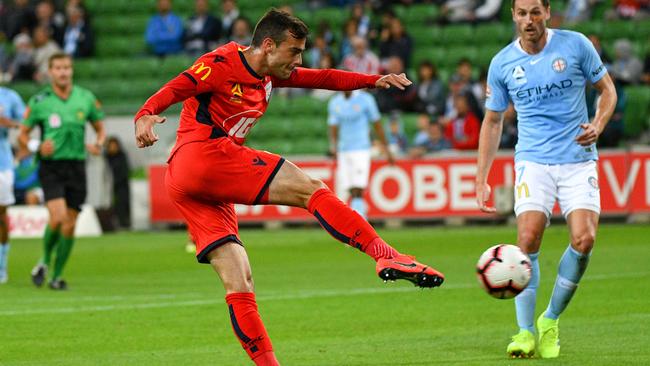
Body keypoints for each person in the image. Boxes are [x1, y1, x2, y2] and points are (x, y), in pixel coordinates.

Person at [133, 9, 444, 365]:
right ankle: (385, 254)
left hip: (189, 182)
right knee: (310, 188)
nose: (299, 60)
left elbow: (323, 78)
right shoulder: (220, 62)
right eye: (294, 51)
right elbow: (179, 85)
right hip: (204, 155)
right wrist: (145, 113)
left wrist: (372, 80)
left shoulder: (269, 74)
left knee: (240, 282)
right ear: (268, 45)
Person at [476, 0, 617, 359]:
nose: (529, 20)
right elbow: (493, 122)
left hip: (577, 159)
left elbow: (607, 90)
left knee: (584, 240)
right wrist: (482, 178)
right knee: (526, 239)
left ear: (548, 11)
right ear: (512, 15)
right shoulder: (502, 63)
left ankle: (550, 319)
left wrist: (597, 125)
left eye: (535, 12)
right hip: (533, 161)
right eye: (522, 13)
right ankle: (524, 332)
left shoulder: (576, 44)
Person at [19, 53, 105, 290]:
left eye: (67, 67)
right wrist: (37, 146)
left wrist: (98, 143)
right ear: (50, 71)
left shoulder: (85, 98)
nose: (63, 72)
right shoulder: (40, 101)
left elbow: (100, 128)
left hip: (77, 166)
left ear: (72, 70)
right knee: (57, 218)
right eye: (58, 68)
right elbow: (23, 136)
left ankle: (56, 276)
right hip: (51, 166)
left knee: (69, 224)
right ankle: (45, 260)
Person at [328, 89, 393, 219]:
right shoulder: (335, 102)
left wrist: (386, 147)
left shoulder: (365, 99)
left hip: (361, 148)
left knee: (358, 185)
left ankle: (359, 217)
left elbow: (377, 123)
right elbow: (333, 126)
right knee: (350, 186)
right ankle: (358, 214)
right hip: (344, 149)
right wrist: (334, 147)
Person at [0, 86, 26, 284]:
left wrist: (7, 123)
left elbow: (26, 124)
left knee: (1, 215)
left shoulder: (9, 96)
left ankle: (2, 266)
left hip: (3, 165)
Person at [105, 136, 131, 229]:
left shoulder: (122, 155)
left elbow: (125, 171)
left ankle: (124, 224)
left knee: (122, 204)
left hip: (121, 185)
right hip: (108, 186)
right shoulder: (105, 157)